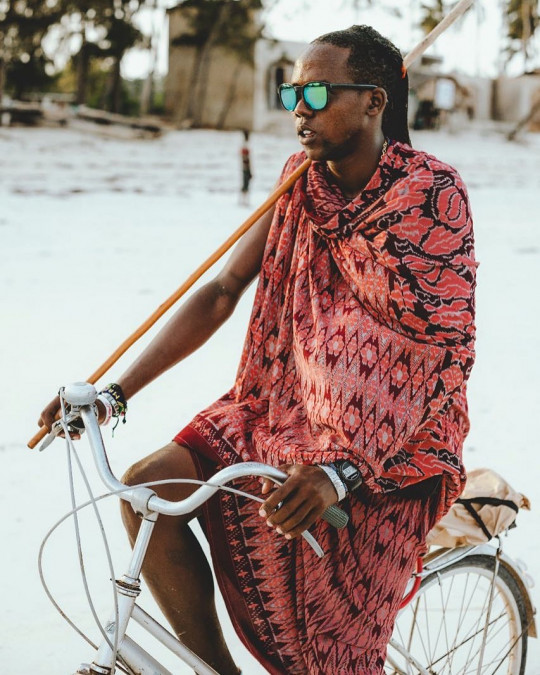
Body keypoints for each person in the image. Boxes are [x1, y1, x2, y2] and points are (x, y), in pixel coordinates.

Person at [39, 25, 477, 675]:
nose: (300, 107)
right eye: (292, 91)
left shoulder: (431, 196)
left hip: (393, 452)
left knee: (329, 654)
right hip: (281, 410)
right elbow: (220, 290)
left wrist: (345, 468)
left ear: (375, 101)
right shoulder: (296, 182)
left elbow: (439, 351)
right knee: (145, 490)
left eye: (319, 91)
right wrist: (114, 391)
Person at [239, 129, 252, 205]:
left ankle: (243, 200)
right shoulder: (245, 146)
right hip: (246, 167)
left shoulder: (245, 145)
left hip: (245, 167)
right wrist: (248, 169)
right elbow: (246, 158)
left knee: (245, 184)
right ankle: (244, 201)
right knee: (245, 184)